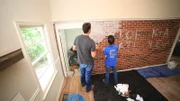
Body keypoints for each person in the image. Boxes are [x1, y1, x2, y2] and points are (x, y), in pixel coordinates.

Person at [73, 22, 96, 92]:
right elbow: (93, 55)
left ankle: (83, 84)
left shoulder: (77, 38)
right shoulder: (91, 42)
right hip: (88, 62)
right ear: (89, 30)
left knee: (82, 74)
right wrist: (95, 48)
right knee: (87, 76)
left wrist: (81, 49)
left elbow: (74, 48)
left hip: (81, 61)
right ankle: (88, 88)